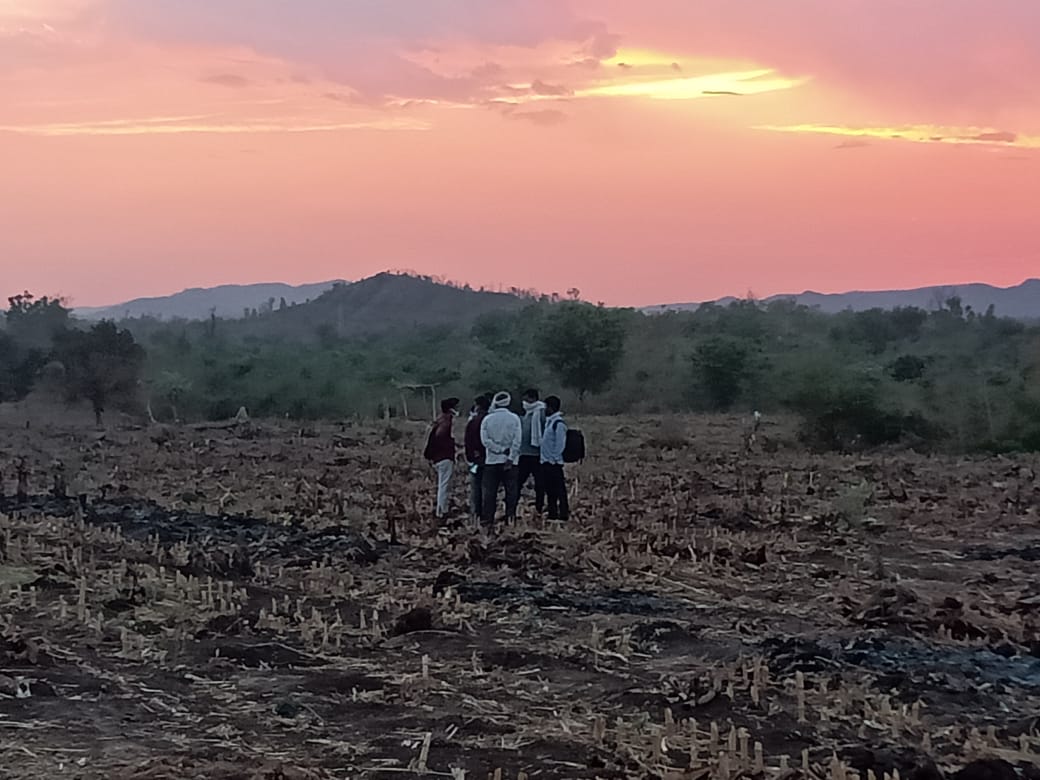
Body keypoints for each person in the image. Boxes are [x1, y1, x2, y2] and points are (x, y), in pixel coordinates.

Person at [480, 391, 522, 527]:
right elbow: (517, 441)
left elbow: (485, 441)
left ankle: (487, 521)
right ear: (508, 403)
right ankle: (510, 518)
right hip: (511, 463)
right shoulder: (515, 419)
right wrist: (510, 457)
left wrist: (498, 449)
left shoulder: (487, 419)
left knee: (490, 493)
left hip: (492, 461)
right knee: (511, 492)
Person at [424, 397, 460, 519]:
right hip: (445, 457)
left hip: (437, 458)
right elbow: (446, 438)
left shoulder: (438, 420)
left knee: (443, 484)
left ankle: (442, 509)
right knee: (444, 485)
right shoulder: (448, 422)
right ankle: (441, 512)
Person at [540, 395, 570, 521]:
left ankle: (563, 513)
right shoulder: (550, 422)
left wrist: (553, 459)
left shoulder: (558, 424)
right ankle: (552, 513)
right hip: (547, 462)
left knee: (559, 490)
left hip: (553, 463)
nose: (545, 409)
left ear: (551, 408)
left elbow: (560, 444)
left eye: (546, 407)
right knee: (550, 490)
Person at [517, 389, 547, 514]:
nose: (524, 402)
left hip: (537, 455)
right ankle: (513, 507)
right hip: (523, 454)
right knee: (518, 482)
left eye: (526, 399)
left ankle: (539, 507)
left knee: (539, 484)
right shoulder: (526, 414)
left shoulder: (541, 412)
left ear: (533, 398)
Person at [464, 394, 491, 522]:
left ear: (478, 406)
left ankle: (475, 515)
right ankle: (487, 515)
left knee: (475, 489)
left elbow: (467, 441)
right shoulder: (491, 420)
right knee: (488, 489)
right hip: (490, 459)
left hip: (476, 460)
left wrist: (470, 458)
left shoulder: (473, 422)